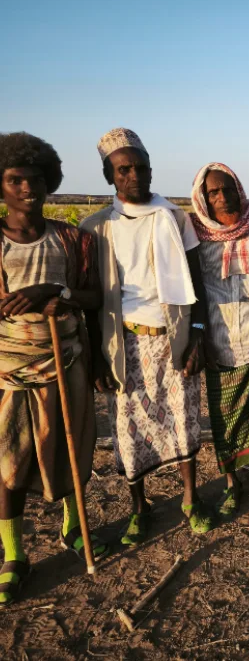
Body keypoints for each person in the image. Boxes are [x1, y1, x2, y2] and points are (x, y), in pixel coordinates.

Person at [80, 128, 214, 545]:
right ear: (110, 176)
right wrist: (96, 357)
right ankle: (140, 508)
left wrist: (197, 334)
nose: (133, 175)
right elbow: (90, 301)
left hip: (172, 337)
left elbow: (197, 280)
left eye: (140, 167)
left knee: (183, 419)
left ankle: (191, 499)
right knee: (128, 426)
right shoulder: (95, 227)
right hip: (122, 344)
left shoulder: (174, 218)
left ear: (151, 171)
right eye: (123, 169)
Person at [0, 133, 107, 606]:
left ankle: (73, 527)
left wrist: (52, 291)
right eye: (15, 179)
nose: (27, 187)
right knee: (7, 465)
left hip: (67, 360)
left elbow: (92, 298)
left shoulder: (72, 240)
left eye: (36, 178)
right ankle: (13, 554)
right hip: (8, 370)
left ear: (50, 182)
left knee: (70, 446)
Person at [189, 162, 249, 517]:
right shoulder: (196, 237)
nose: (221, 196)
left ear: (238, 189)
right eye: (213, 192)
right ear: (203, 197)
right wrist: (199, 338)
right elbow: (195, 293)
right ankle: (232, 483)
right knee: (225, 418)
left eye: (227, 188)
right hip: (221, 338)